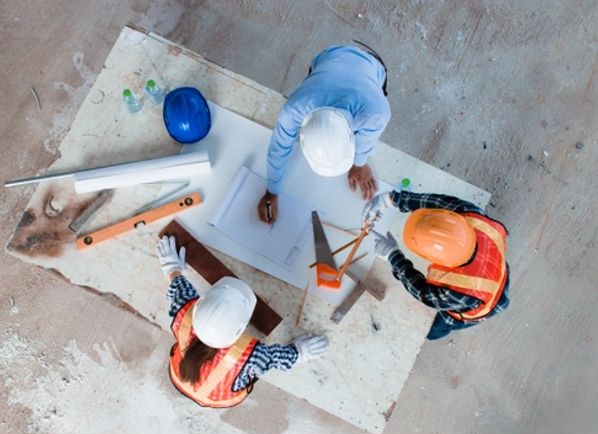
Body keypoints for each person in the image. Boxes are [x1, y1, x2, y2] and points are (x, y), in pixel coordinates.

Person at [156, 236, 328, 407]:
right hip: (218, 398)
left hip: (179, 376)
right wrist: (299, 352)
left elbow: (179, 290)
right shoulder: (248, 357)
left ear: (199, 305)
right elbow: (273, 359)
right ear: (241, 330)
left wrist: (172, 268)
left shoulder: (183, 314)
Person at [257, 44, 391, 223]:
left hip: (371, 65)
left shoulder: (375, 112)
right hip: (328, 57)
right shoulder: (295, 109)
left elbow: (366, 141)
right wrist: (271, 191)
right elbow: (278, 150)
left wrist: (359, 164)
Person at [362, 190, 510, 340]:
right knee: (495, 287)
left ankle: (431, 335)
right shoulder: (471, 216)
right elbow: (438, 202)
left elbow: (421, 291)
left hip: (480, 305)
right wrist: (390, 199)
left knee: (438, 326)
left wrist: (393, 256)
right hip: (497, 270)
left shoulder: (456, 292)